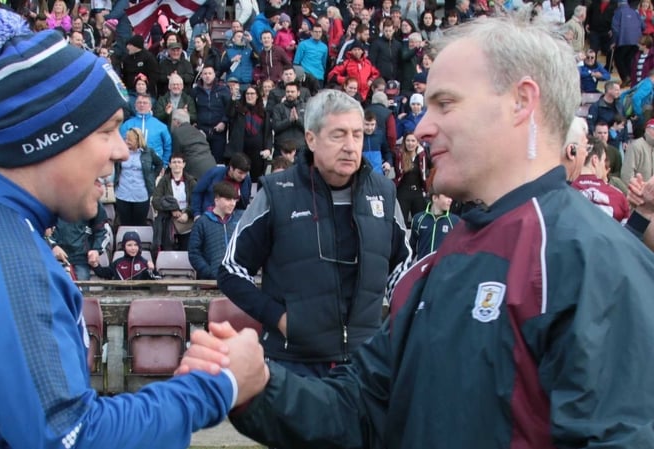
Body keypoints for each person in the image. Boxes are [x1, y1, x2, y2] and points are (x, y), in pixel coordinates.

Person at [182, 12, 654, 449]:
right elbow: (361, 409)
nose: (423, 127)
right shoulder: (441, 262)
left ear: (521, 102)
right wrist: (259, 387)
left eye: (445, 103)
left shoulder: (595, 261)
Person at [0, 8, 266, 448]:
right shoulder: (4, 258)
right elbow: (72, 437)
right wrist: (218, 386)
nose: (122, 153)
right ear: (53, 137)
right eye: (108, 130)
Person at [215, 88, 411, 385]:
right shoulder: (277, 193)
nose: (350, 146)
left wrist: (395, 327)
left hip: (364, 365)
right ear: (311, 139)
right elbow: (231, 270)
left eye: (357, 135)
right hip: (294, 367)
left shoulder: (383, 194)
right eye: (338, 135)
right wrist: (280, 319)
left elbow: (402, 270)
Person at [189, 182, 243, 280]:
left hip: (237, 281)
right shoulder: (202, 222)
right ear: (216, 200)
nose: (232, 203)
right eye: (228, 199)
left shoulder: (241, 220)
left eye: (234, 200)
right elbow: (194, 253)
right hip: (210, 283)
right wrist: (210, 273)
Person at [113, 127, 163, 226]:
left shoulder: (148, 152)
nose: (126, 141)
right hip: (123, 193)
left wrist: (152, 177)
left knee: (139, 224)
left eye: (129, 140)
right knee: (124, 224)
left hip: (141, 195)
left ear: (137, 140)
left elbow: (159, 164)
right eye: (125, 139)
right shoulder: (121, 152)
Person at [571, 140, 631, 222]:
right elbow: (628, 232)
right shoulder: (618, 196)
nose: (605, 166)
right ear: (595, 160)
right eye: (604, 160)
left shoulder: (562, 190)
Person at [50, 203, 110, 280]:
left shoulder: (91, 199)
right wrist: (53, 246)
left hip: (81, 258)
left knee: (82, 290)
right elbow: (39, 227)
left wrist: (96, 250)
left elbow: (103, 229)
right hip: (54, 258)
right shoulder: (51, 198)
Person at [152, 152, 197, 252]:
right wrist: (172, 208)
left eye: (179, 162)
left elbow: (196, 201)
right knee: (167, 251)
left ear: (184, 164)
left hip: (187, 222)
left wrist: (187, 214)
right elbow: (155, 201)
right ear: (170, 164)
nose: (177, 164)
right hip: (168, 221)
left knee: (186, 250)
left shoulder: (191, 181)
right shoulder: (163, 181)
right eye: (174, 162)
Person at [191, 152, 252, 217]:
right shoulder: (214, 173)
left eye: (245, 173)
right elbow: (197, 192)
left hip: (234, 216)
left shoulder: (247, 179)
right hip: (211, 214)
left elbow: (246, 201)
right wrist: (197, 213)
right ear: (231, 168)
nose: (243, 177)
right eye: (240, 173)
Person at [409, 189, 459, 259]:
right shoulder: (418, 219)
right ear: (435, 198)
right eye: (447, 197)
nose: (450, 200)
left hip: (443, 267)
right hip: (423, 267)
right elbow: (412, 248)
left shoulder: (455, 221)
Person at [169, 108, 216, 181]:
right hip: (212, 165)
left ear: (176, 121)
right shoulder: (198, 132)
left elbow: (177, 156)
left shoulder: (177, 133)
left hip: (195, 171)